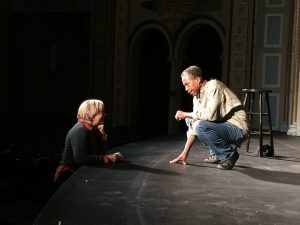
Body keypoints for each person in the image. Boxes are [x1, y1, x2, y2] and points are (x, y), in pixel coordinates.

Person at [170, 65, 249, 170]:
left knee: (199, 124)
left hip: (238, 129)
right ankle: (216, 154)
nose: (186, 89)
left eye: (187, 84)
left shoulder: (214, 86)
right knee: (192, 120)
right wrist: (185, 153)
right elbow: (193, 129)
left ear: (197, 79)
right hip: (224, 127)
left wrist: (185, 114)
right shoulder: (196, 97)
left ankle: (229, 155)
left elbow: (210, 115)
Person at [53, 99, 123, 187]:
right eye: (101, 112)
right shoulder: (80, 130)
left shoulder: (91, 129)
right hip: (68, 177)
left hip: (80, 172)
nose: (104, 115)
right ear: (91, 114)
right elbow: (80, 158)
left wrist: (103, 136)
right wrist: (105, 158)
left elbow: (100, 153)